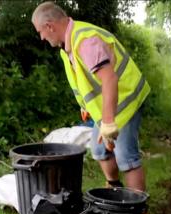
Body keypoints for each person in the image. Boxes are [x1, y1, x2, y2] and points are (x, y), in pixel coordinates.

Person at [32, 1, 150, 195]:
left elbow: (109, 79)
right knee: (99, 149)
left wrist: (109, 123)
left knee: (126, 158)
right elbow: (86, 81)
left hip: (125, 101)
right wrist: (86, 106)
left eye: (40, 32)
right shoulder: (68, 46)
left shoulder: (85, 40)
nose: (42, 38)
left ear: (49, 26)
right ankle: (115, 190)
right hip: (108, 106)